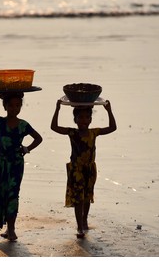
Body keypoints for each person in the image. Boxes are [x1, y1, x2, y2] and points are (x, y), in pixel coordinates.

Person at [0, 86, 43, 241]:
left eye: (17, 105)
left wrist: (27, 149)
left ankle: (12, 229)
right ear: (5, 106)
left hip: (16, 163)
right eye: (11, 105)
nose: (14, 108)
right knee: (1, 191)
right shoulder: (0, 122)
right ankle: (8, 229)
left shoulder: (23, 125)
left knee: (13, 194)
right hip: (1, 163)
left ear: (20, 107)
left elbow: (38, 138)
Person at [50, 100, 117, 238]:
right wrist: (57, 109)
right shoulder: (72, 133)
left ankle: (85, 218)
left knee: (87, 197)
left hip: (90, 170)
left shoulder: (94, 132)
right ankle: (80, 226)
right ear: (75, 120)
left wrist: (109, 110)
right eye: (80, 117)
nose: (84, 120)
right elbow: (54, 127)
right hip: (76, 170)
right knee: (78, 199)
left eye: (87, 117)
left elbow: (112, 128)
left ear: (91, 119)